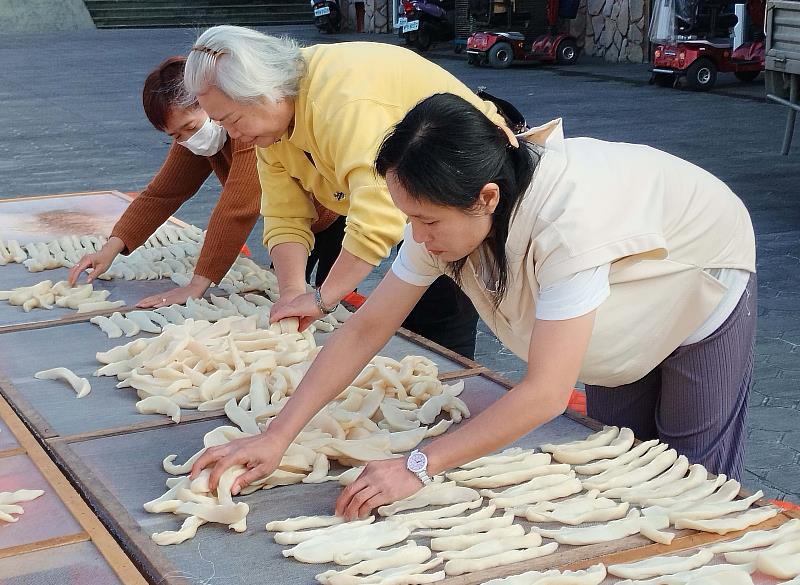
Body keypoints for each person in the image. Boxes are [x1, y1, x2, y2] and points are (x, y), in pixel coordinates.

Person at [191, 93, 757, 519]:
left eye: (427, 221)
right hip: (623, 291)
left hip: (698, 271)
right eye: (409, 217)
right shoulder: (445, 213)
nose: (417, 235)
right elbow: (368, 329)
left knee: (687, 477)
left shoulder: (570, 228)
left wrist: (419, 464)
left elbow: (544, 393)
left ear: (487, 197)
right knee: (616, 457)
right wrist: (277, 434)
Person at [181, 26, 509, 357]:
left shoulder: (337, 99)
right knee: (408, 308)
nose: (234, 135)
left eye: (232, 119)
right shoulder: (272, 131)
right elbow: (284, 214)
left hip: (463, 186)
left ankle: (455, 390)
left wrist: (323, 298)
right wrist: (293, 291)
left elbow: (376, 213)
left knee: (439, 314)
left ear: (266, 92)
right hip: (419, 203)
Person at [67, 56, 339, 306]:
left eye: (191, 128)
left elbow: (237, 206)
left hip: (333, 212)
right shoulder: (195, 140)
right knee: (293, 295)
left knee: (327, 299)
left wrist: (197, 285)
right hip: (291, 224)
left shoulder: (248, 131)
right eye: (175, 135)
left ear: (209, 103)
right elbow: (162, 194)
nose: (186, 139)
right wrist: (111, 247)